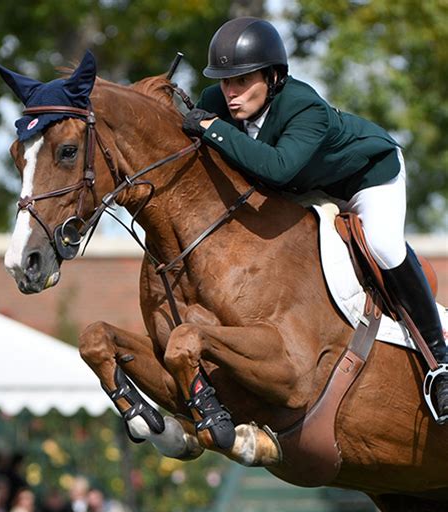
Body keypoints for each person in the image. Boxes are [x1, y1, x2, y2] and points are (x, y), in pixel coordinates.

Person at [182, 16, 448, 422]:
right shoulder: (217, 102)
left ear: (272, 77)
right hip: (306, 189)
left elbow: (277, 169)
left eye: (242, 81)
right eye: (225, 82)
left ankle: (441, 363)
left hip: (364, 180)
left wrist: (212, 130)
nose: (230, 94)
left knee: (382, 245)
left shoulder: (304, 106)